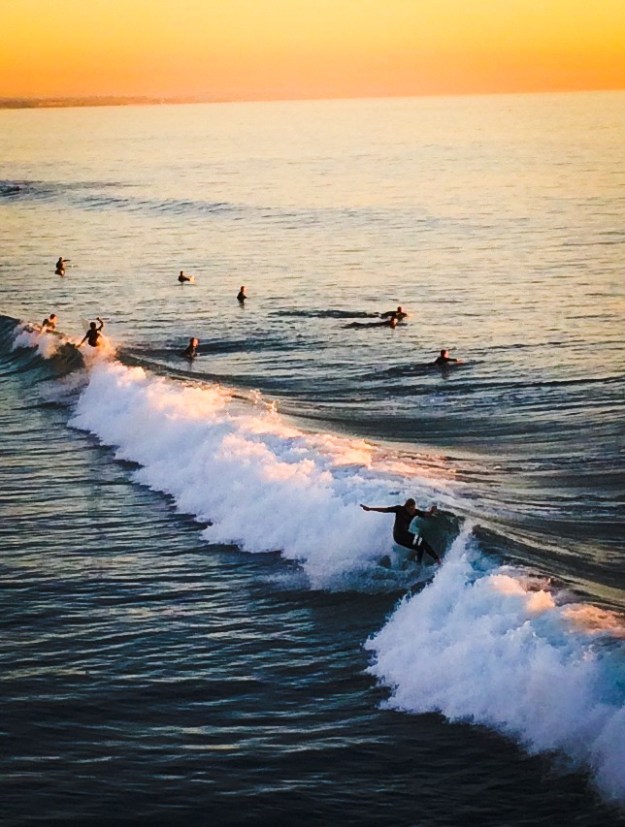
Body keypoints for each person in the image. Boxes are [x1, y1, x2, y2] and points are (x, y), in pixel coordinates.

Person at [360, 499, 441, 565]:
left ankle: (418, 565)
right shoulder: (399, 509)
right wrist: (370, 508)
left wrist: (431, 511)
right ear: (407, 507)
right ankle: (437, 560)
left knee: (420, 548)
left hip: (401, 539)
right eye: (411, 508)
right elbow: (385, 510)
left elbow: (426, 514)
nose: (413, 510)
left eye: (414, 508)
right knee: (422, 541)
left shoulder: (415, 512)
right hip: (398, 536)